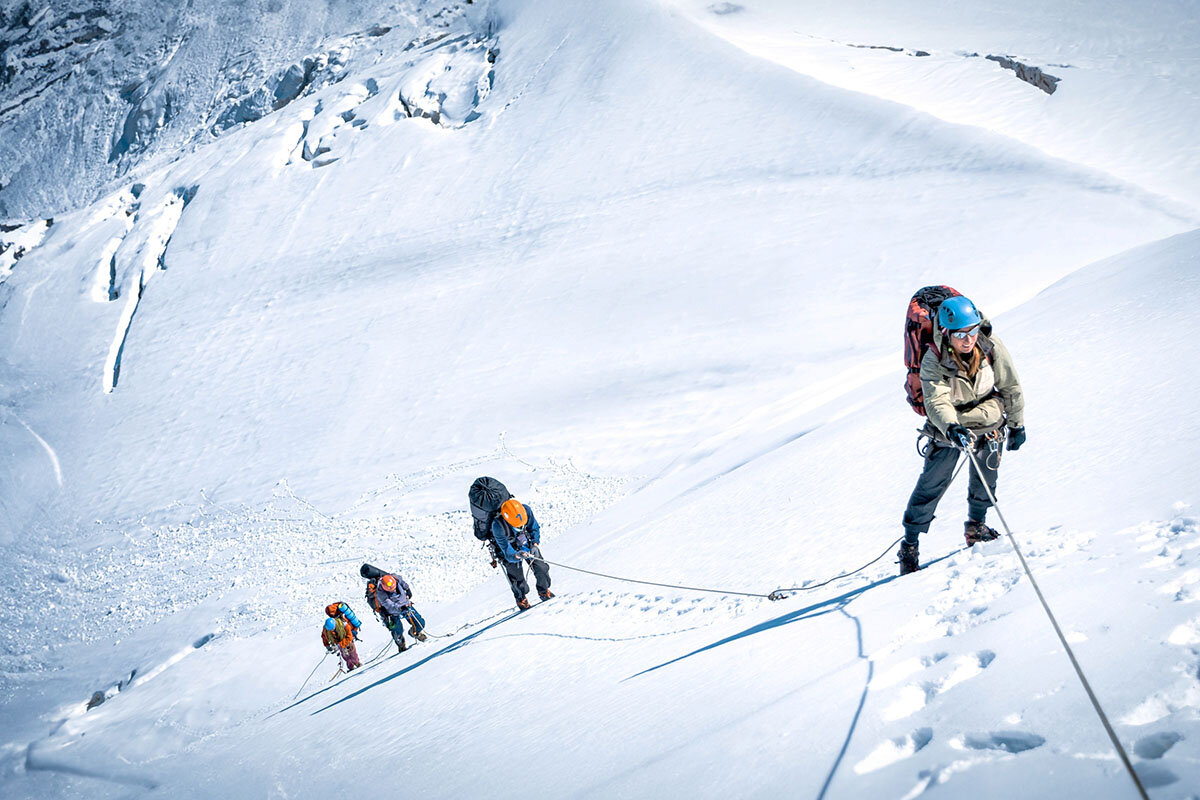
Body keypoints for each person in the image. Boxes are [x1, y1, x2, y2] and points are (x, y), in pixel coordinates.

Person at [900, 294, 1026, 575]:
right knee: (933, 481)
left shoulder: (991, 346)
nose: (968, 339)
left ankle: (976, 526)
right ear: (946, 333)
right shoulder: (933, 358)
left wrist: (1017, 424)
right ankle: (909, 544)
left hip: (989, 418)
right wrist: (951, 426)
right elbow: (936, 400)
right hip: (950, 426)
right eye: (960, 334)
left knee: (987, 473)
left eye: (972, 331)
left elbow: (1010, 385)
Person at [491, 498, 553, 610]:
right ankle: (521, 598)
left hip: (527, 544)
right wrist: (516, 555)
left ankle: (544, 591)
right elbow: (506, 549)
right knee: (516, 577)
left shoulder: (526, 511)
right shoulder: (497, 526)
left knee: (542, 568)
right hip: (509, 552)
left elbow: (533, 528)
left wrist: (535, 544)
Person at [360, 563, 428, 653]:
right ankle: (401, 645)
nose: (393, 590)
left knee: (420, 623)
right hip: (392, 613)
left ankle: (415, 632)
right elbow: (389, 605)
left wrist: (407, 589)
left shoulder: (394, 578)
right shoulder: (380, 593)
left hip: (406, 605)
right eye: (390, 589)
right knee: (397, 630)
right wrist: (400, 608)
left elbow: (402, 582)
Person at [321, 602, 363, 670]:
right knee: (345, 656)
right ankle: (351, 667)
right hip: (339, 643)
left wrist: (340, 645)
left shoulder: (344, 624)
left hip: (347, 641)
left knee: (352, 654)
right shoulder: (326, 628)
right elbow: (324, 636)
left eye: (333, 628)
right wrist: (327, 646)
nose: (332, 630)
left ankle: (358, 664)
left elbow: (349, 636)